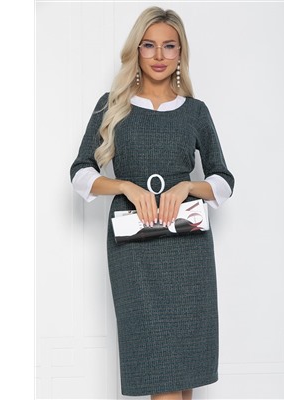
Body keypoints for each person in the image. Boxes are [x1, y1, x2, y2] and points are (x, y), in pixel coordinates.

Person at [70, 6, 235, 400]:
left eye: (169, 46)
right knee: (158, 370)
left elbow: (223, 180)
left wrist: (188, 187)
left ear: (180, 53)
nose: (159, 55)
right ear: (137, 51)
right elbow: (80, 172)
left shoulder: (195, 111)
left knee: (184, 375)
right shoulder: (112, 105)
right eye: (149, 45)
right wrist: (125, 186)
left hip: (188, 249)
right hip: (135, 253)